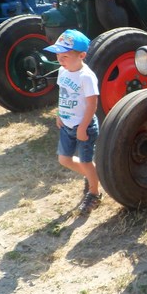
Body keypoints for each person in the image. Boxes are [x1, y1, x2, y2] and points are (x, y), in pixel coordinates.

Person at [44, 29, 102, 215]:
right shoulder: (63, 71)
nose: (60, 60)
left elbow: (92, 104)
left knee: (85, 161)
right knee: (64, 159)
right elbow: (63, 94)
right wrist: (60, 114)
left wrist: (83, 127)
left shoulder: (86, 77)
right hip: (67, 125)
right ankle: (91, 175)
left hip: (83, 126)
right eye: (58, 56)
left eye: (65, 56)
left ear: (82, 55)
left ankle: (94, 193)